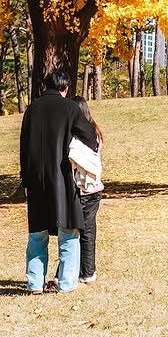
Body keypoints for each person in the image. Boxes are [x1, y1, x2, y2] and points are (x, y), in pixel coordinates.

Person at [19, 68, 99, 294]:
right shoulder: (70, 108)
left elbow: (24, 147)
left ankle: (35, 283)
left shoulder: (32, 109)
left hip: (35, 179)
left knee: (37, 233)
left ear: (46, 85)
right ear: (65, 88)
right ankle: (66, 283)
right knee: (68, 231)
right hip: (63, 178)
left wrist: (25, 180)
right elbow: (90, 138)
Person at [70, 96, 104, 285]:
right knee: (88, 231)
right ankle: (88, 271)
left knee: (73, 231)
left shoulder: (78, 137)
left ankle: (70, 272)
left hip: (83, 189)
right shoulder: (95, 132)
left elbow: (74, 159)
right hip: (95, 188)